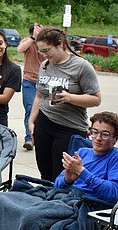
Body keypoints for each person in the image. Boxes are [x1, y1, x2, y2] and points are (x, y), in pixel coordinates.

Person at [29, 27, 101, 181]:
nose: (45, 55)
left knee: (61, 176)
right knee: (45, 173)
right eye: (41, 52)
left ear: (60, 44)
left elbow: (96, 99)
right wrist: (31, 121)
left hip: (69, 128)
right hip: (44, 122)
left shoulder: (81, 66)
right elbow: (39, 95)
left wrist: (70, 98)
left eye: (47, 50)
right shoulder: (45, 65)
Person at [17, 22, 42, 150]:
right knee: (30, 108)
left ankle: (39, 137)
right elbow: (20, 49)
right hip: (29, 81)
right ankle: (29, 139)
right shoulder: (27, 41)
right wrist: (33, 38)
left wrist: (41, 39)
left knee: (43, 112)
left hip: (43, 82)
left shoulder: (44, 43)